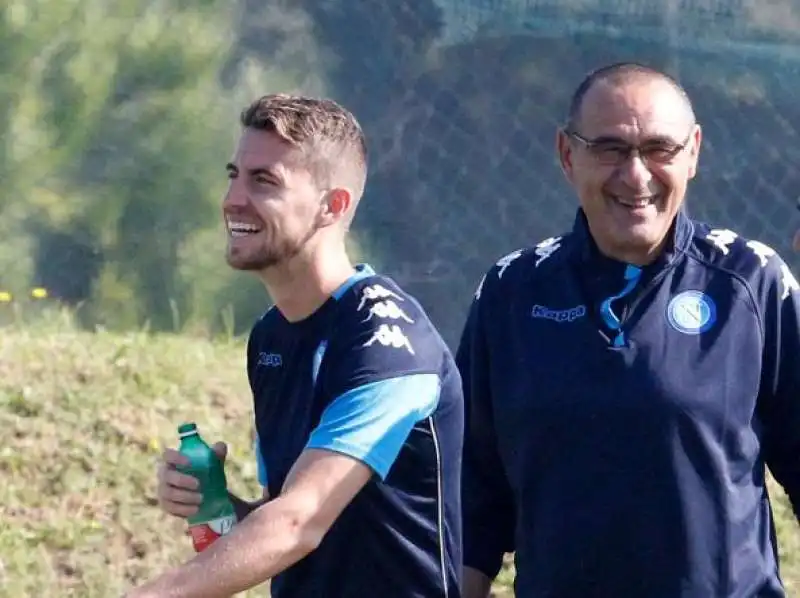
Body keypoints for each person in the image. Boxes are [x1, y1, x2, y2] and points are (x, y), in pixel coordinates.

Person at [458, 62, 800, 598]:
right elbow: (472, 502)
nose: (635, 175)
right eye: (610, 148)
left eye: (660, 149)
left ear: (693, 152)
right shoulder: (512, 292)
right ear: (568, 155)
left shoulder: (751, 283)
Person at [126, 94, 464, 598]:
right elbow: (280, 516)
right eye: (233, 174)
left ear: (333, 206)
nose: (233, 199)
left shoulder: (389, 345)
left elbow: (297, 524)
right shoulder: (272, 335)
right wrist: (219, 506)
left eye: (264, 181)